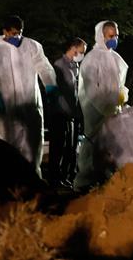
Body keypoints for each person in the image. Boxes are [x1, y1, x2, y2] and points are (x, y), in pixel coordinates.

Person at [0, 15, 57, 177]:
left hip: (31, 106)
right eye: (14, 33)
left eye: (20, 33)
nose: (17, 37)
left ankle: (34, 179)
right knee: (9, 148)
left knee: (34, 145)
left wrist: (50, 85)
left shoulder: (31, 46)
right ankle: (11, 182)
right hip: (8, 109)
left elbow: (44, 67)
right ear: (5, 31)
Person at [74, 20, 129, 190]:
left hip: (113, 109)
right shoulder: (92, 59)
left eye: (116, 35)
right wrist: (105, 108)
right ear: (101, 36)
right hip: (95, 111)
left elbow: (120, 84)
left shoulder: (116, 58)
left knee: (111, 146)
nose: (114, 39)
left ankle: (107, 178)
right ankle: (84, 181)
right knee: (92, 144)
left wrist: (121, 96)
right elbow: (91, 89)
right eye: (110, 36)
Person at [47, 37, 86, 186]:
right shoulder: (59, 65)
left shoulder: (75, 66)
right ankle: (54, 178)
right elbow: (56, 91)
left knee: (70, 148)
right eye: (81, 51)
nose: (82, 54)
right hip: (59, 113)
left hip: (72, 114)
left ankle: (66, 176)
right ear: (73, 48)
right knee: (58, 147)